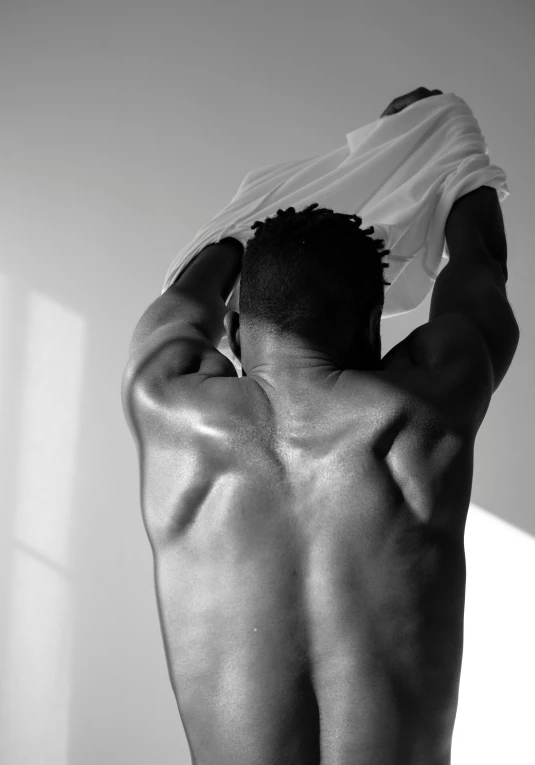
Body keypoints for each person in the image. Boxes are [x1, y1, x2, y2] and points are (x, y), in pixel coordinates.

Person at [121, 88, 520, 765]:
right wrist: (451, 143)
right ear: (373, 326)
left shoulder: (168, 405)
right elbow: (479, 265)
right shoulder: (429, 406)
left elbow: (193, 281)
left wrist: (244, 233)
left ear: (236, 326)